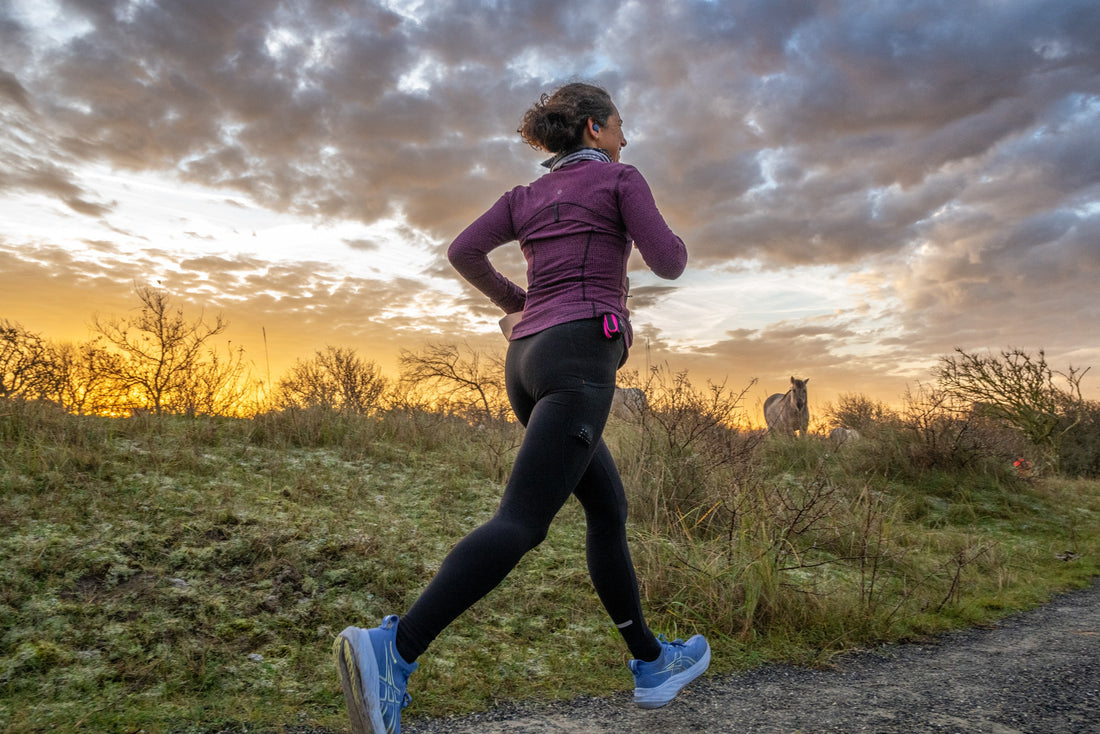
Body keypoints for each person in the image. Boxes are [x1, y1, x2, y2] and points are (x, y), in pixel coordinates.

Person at [333, 82, 710, 734]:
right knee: (522, 523)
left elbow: (463, 251)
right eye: (621, 125)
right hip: (578, 362)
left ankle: (651, 663)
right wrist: (647, 221)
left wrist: (521, 304)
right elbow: (670, 261)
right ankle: (394, 649)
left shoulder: (524, 198)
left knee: (607, 509)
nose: (626, 137)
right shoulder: (620, 180)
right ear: (594, 129)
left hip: (526, 364)